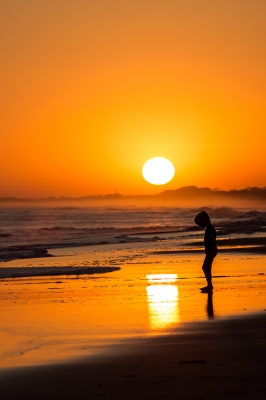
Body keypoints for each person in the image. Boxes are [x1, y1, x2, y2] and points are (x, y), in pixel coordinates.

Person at [194, 211, 218, 293]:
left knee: (205, 267)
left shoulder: (210, 229)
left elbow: (213, 240)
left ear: (203, 220)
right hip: (210, 251)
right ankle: (209, 285)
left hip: (211, 251)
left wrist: (213, 250)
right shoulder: (209, 228)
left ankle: (210, 285)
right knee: (206, 267)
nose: (199, 226)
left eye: (199, 223)